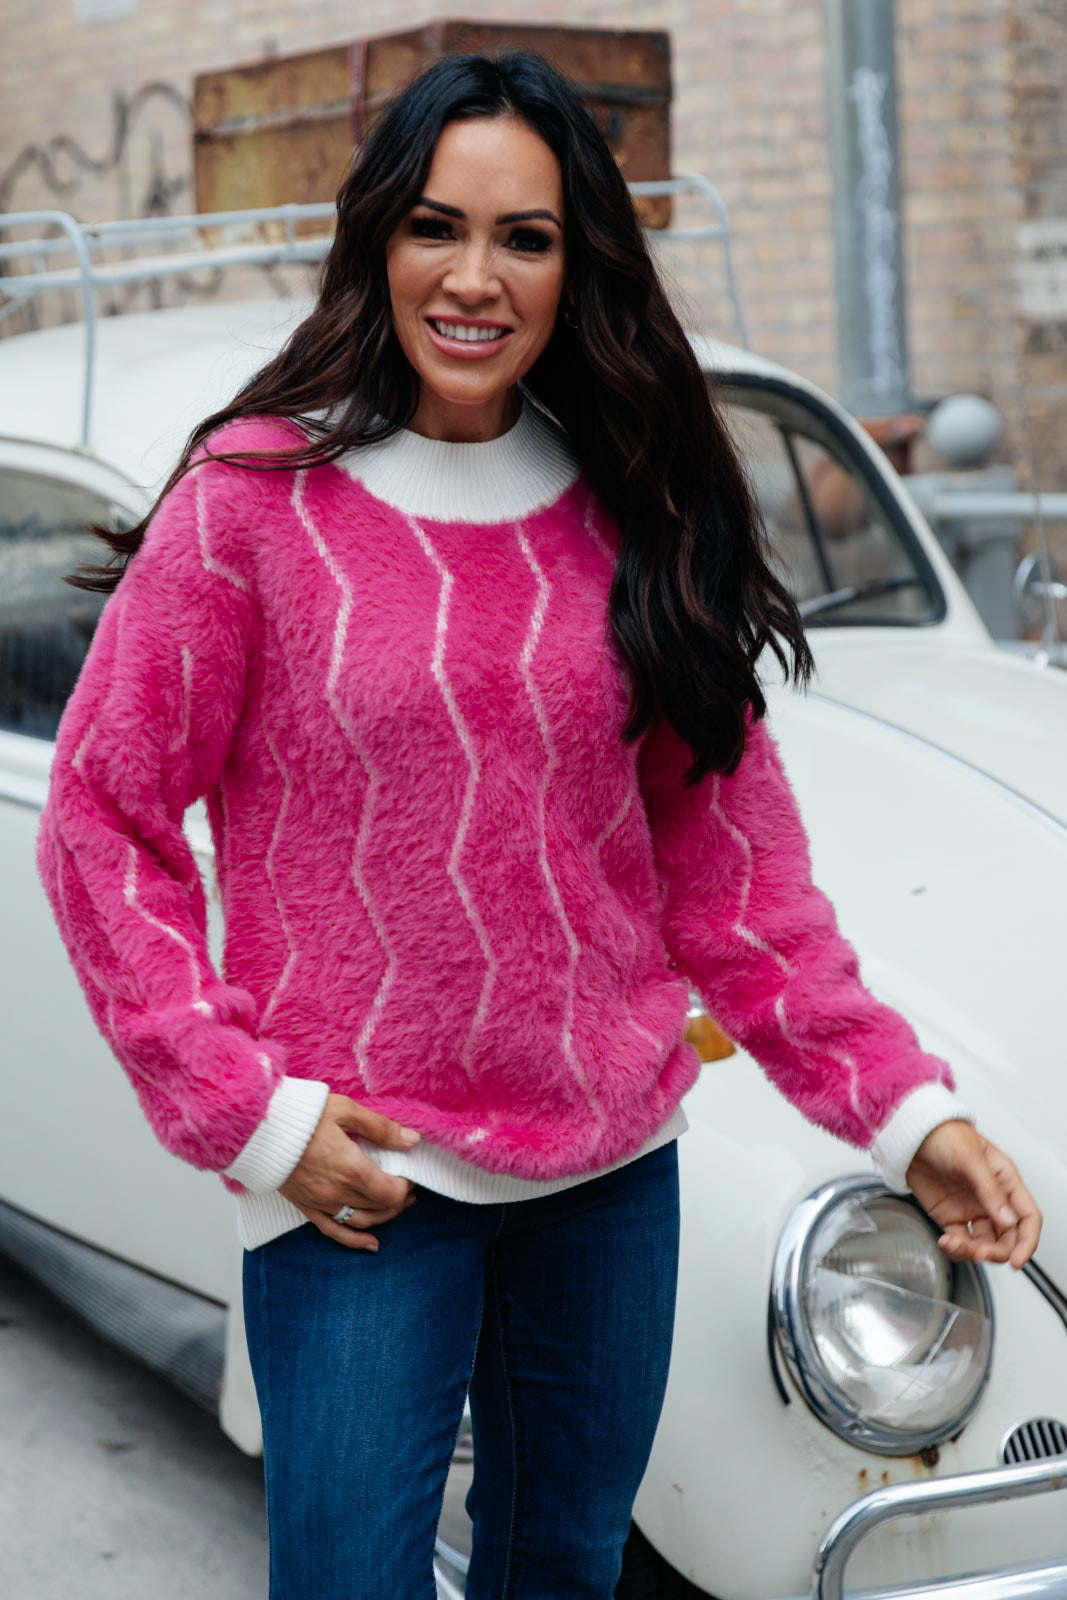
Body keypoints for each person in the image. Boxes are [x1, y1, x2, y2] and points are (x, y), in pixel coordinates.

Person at [36, 48, 1041, 1600]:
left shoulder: (635, 506)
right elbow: (102, 823)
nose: (475, 277)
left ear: (580, 266)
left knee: (564, 1571)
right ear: (381, 237)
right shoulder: (254, 505)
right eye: (438, 226)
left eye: (527, 237)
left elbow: (738, 884)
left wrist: (910, 1116)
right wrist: (252, 1116)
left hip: (611, 1177)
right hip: (364, 1191)